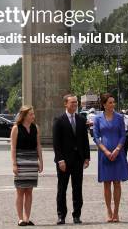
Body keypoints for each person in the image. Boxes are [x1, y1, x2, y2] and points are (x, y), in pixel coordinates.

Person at [93, 93, 128, 223]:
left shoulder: (120, 117)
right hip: (104, 154)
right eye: (110, 102)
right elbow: (96, 136)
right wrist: (104, 150)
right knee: (106, 183)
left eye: (113, 102)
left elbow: (123, 135)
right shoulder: (98, 118)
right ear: (104, 104)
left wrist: (117, 149)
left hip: (118, 153)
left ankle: (116, 211)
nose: (112, 104)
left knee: (117, 182)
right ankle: (108, 210)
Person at [53, 94, 90, 225]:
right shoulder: (59, 120)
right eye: (72, 103)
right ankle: (61, 216)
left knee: (77, 188)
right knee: (62, 189)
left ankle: (77, 215)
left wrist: (87, 157)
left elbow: (85, 140)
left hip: (78, 160)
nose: (75, 105)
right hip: (64, 161)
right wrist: (60, 160)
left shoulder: (81, 119)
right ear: (65, 104)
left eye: (76, 103)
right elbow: (56, 143)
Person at [11, 105, 43, 227]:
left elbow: (38, 145)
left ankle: (27, 218)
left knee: (29, 191)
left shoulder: (36, 128)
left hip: (32, 161)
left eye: (33, 114)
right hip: (20, 161)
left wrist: (41, 161)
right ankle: (20, 219)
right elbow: (13, 147)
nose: (33, 116)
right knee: (20, 191)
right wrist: (14, 163)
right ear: (24, 116)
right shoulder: (16, 128)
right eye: (31, 114)